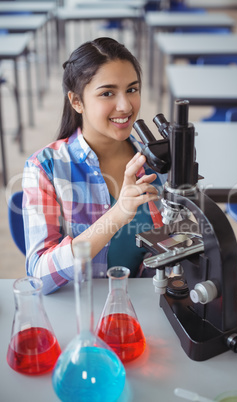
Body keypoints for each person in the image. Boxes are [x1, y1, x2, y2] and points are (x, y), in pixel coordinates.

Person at [22, 37, 167, 295]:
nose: (125, 106)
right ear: (77, 101)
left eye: (132, 89)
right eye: (107, 93)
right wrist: (117, 214)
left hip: (146, 306)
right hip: (80, 312)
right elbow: (39, 276)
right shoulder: (44, 168)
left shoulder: (157, 162)